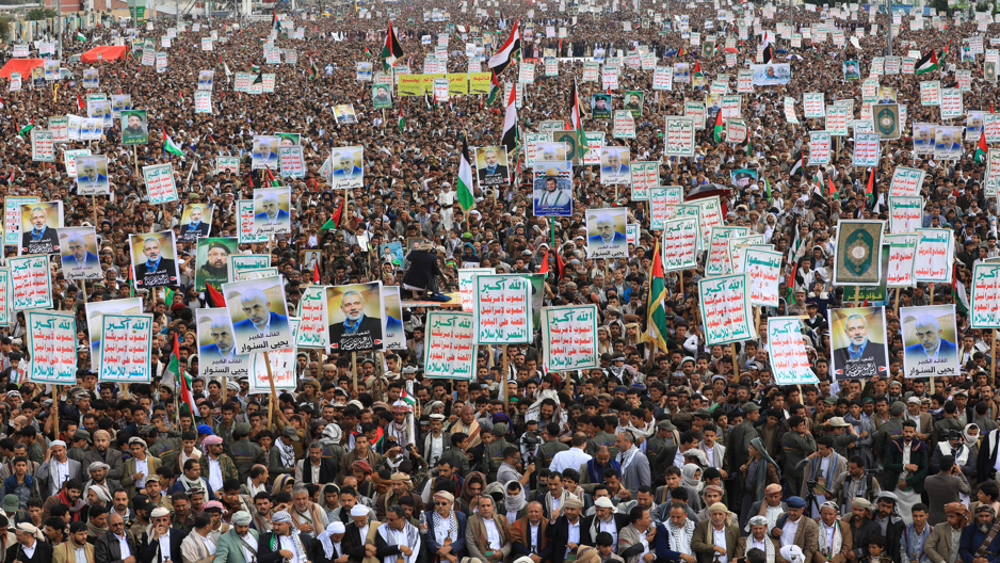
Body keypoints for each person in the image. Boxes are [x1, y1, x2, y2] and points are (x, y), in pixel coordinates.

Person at [831, 315, 888, 379]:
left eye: (860, 327)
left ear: (867, 329)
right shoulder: (837, 354)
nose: (857, 333)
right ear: (846, 332)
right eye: (852, 329)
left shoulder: (882, 349)